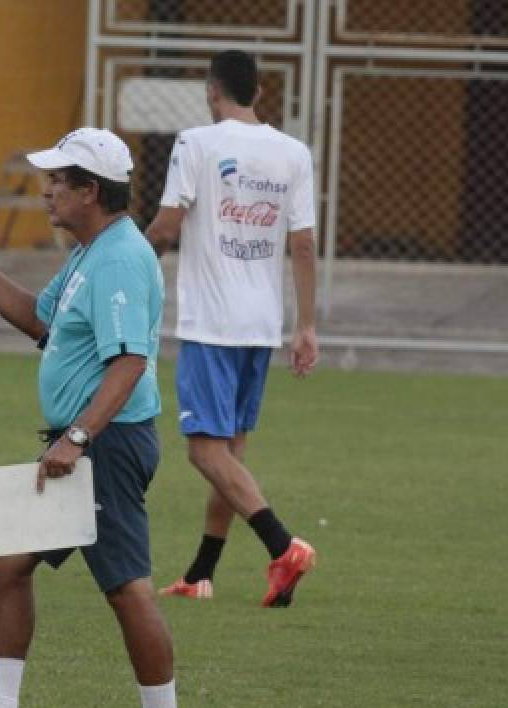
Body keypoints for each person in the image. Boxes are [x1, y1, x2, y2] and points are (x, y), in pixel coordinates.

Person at [0, 128, 188, 708]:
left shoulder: (119, 256)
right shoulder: (92, 251)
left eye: (57, 181)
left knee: (126, 585)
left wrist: (77, 436)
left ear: (90, 191)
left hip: (106, 445)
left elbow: (128, 363)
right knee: (9, 563)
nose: (45, 192)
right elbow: (40, 322)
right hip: (88, 441)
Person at [145, 50, 318, 606]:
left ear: (211, 90)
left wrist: (120, 255)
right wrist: (306, 326)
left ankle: (282, 544)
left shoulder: (197, 144)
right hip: (261, 325)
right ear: (258, 93)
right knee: (230, 455)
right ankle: (201, 573)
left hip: (211, 321)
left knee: (204, 452)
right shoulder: (293, 153)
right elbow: (304, 243)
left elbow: (168, 225)